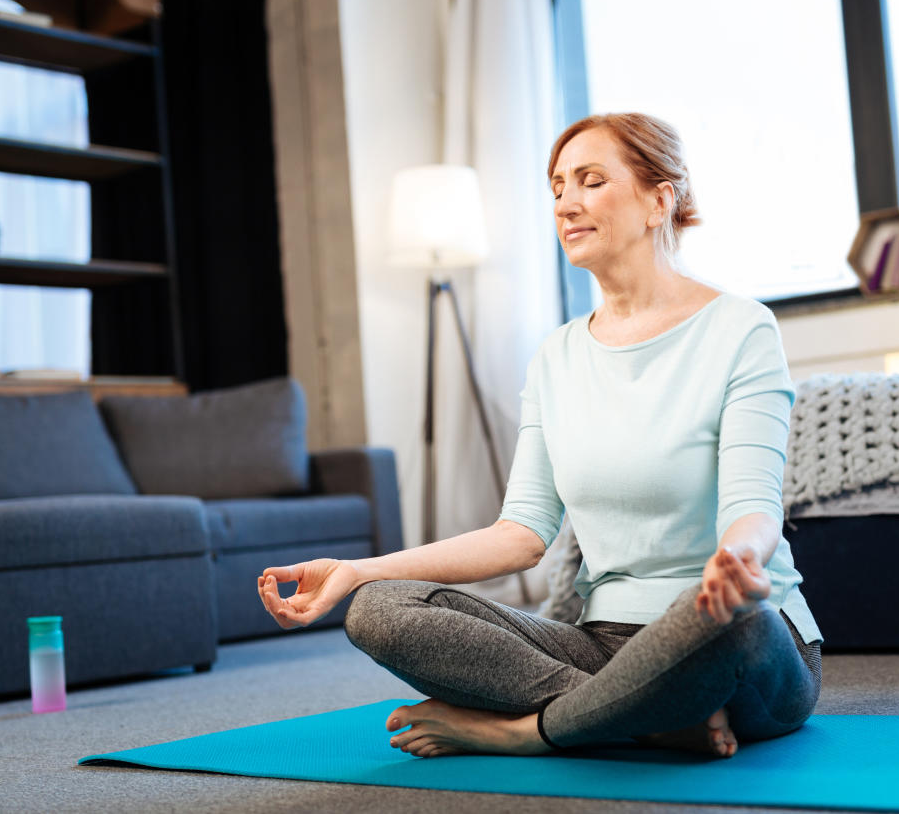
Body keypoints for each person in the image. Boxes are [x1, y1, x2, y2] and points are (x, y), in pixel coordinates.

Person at [257, 112, 823, 760]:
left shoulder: (740, 329)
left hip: (734, 637)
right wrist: (356, 571)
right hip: (604, 642)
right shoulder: (555, 358)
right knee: (377, 609)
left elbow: (753, 509)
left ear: (657, 201)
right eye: (557, 188)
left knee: (732, 621)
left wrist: (740, 561)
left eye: (589, 182)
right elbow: (520, 534)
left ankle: (524, 732)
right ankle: (645, 715)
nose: (566, 204)